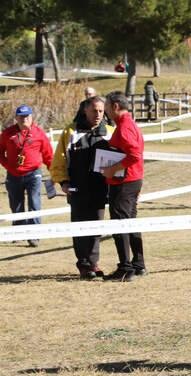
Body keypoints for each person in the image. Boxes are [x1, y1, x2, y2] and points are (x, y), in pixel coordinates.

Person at [51, 96, 115, 279]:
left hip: (100, 189)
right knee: (79, 226)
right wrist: (63, 182)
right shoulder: (70, 131)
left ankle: (93, 263)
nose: (98, 114)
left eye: (101, 111)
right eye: (94, 110)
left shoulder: (110, 131)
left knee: (96, 227)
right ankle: (84, 264)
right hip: (77, 188)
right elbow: (59, 159)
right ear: (85, 110)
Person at [101, 91, 147, 281]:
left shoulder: (125, 126)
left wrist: (113, 169)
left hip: (125, 182)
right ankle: (138, 264)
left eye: (106, 107)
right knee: (131, 222)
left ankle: (126, 268)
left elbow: (134, 155)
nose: (105, 112)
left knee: (120, 223)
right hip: (132, 180)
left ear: (115, 107)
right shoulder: (128, 124)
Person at [0, 104, 53, 247]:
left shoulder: (38, 133)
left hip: (33, 174)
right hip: (13, 175)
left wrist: (55, 173)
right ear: (16, 118)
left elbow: (48, 155)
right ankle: (18, 232)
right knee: (16, 204)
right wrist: (8, 165)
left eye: (27, 116)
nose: (24, 119)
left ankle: (34, 235)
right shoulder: (7, 134)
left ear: (31, 117)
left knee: (34, 203)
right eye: (21, 116)